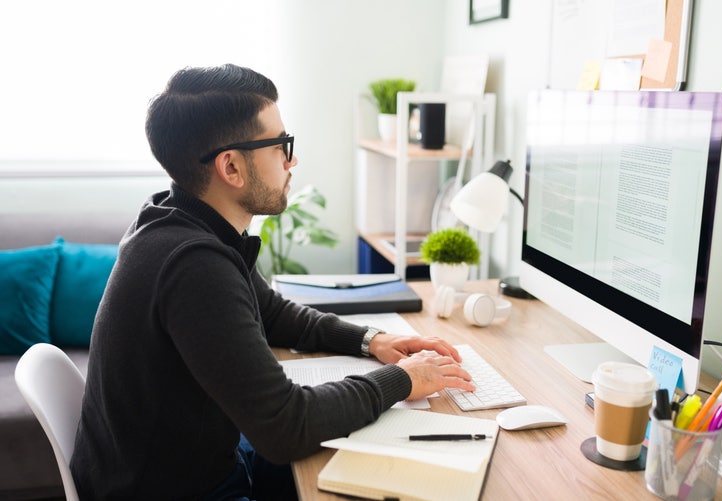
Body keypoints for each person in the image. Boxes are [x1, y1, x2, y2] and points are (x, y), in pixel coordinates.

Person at [70, 64, 475, 500]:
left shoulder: (183, 221)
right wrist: (403, 380)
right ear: (231, 167)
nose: (292, 159)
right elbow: (285, 427)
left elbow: (271, 310)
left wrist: (372, 341)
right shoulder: (193, 264)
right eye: (281, 145)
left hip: (180, 462)